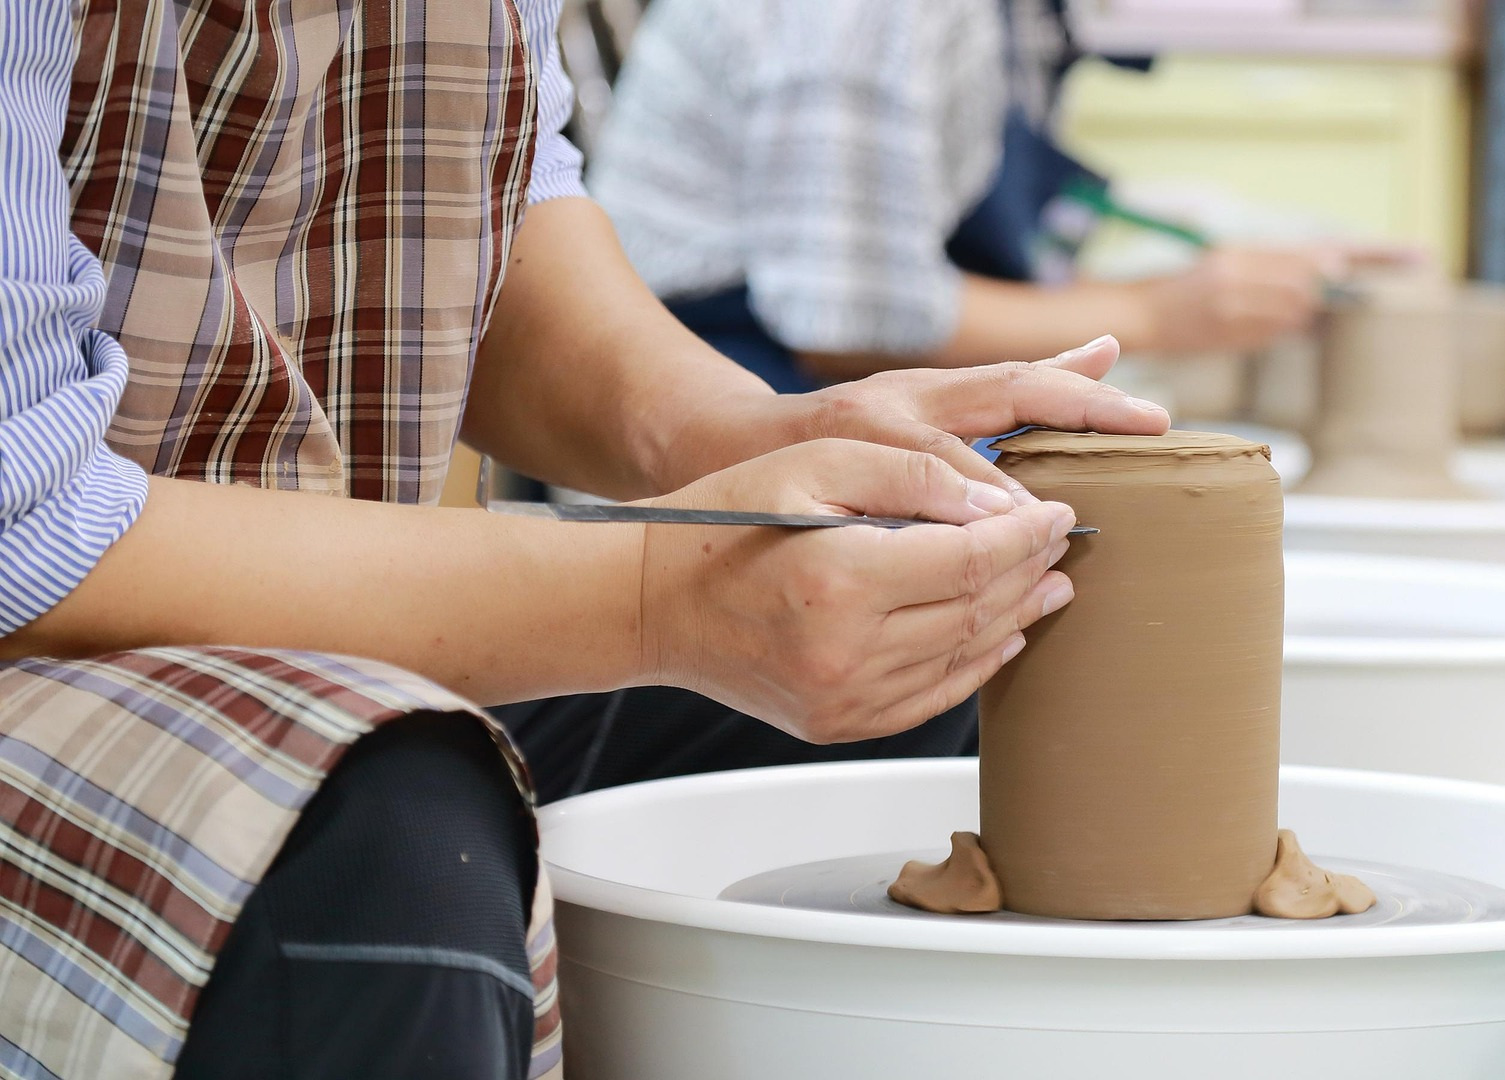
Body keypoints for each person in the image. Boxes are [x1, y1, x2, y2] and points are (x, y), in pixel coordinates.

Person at [0, 2, 1169, 1077]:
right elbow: (26, 527)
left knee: (918, 652)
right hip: (53, 627)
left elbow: (482, 210)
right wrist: (667, 599)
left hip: (288, 603)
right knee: (388, 839)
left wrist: (746, 438)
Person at [587, 0, 1360, 395]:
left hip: (819, 376)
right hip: (706, 405)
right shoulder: (873, 15)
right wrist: (1158, 314)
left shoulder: (1020, 20)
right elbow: (847, 325)